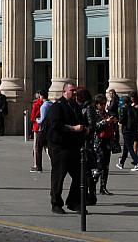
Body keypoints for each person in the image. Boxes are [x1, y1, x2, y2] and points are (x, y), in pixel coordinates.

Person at [43, 83, 85, 214]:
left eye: (75, 91)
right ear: (64, 92)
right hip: (59, 146)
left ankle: (73, 202)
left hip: (73, 146)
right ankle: (56, 203)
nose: (74, 93)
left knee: (80, 175)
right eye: (72, 90)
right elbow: (56, 125)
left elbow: (81, 122)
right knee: (58, 176)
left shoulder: (75, 106)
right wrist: (73, 128)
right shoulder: (57, 106)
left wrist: (85, 129)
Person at [88, 94, 118, 196]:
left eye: (105, 103)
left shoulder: (106, 113)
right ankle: (92, 187)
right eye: (101, 104)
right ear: (97, 104)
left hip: (107, 141)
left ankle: (103, 187)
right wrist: (105, 122)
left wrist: (113, 121)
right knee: (99, 166)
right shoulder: (94, 114)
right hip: (98, 142)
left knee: (106, 165)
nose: (103, 106)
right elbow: (94, 127)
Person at [117, 93, 138, 170]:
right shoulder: (134, 109)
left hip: (126, 130)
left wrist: (118, 120)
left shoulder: (124, 109)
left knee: (129, 147)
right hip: (133, 129)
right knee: (126, 147)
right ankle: (121, 163)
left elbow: (121, 120)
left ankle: (137, 163)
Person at [29, 90, 48, 172]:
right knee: (46, 146)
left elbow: (32, 117)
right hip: (46, 127)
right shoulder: (48, 103)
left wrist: (34, 120)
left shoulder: (37, 104)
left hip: (37, 126)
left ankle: (36, 164)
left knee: (36, 146)